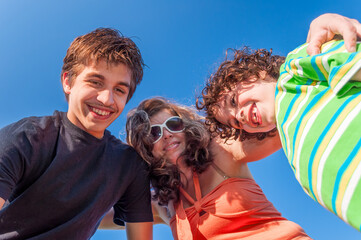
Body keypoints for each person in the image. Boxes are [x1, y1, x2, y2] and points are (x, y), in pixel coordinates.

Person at [197, 14, 361, 231]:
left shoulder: (293, 71)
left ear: (256, 73)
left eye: (234, 100)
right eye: (235, 122)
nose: (241, 116)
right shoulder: (291, 148)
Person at [0, 28, 153, 239]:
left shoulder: (129, 166)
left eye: (119, 90)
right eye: (96, 82)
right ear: (68, 81)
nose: (107, 99)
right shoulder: (26, 137)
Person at [124, 97, 312, 239]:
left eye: (173, 125)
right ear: (146, 148)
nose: (167, 135)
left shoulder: (221, 150)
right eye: (154, 133)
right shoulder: (166, 203)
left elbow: (282, 128)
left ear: (185, 127)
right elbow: (102, 208)